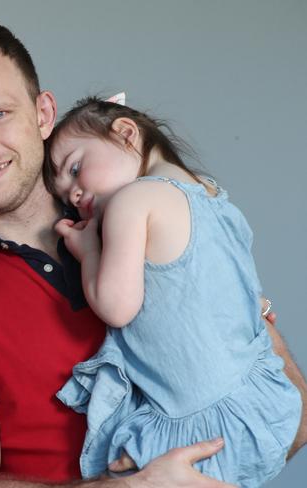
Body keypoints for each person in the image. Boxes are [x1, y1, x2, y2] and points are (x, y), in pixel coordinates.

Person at [0, 14, 307, 487]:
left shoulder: (143, 215)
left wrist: (251, 323)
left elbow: (293, 417)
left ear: (44, 113)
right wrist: (135, 486)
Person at [43, 95, 301, 486]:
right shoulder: (214, 196)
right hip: (262, 404)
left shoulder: (133, 200)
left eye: (75, 169)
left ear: (127, 134)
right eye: (65, 197)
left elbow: (116, 307)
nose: (74, 195)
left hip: (200, 425)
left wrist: (90, 251)